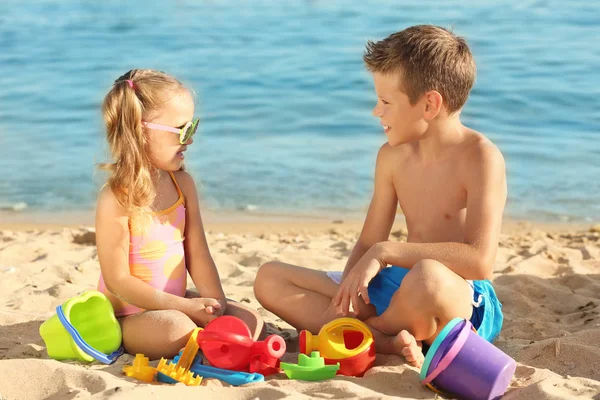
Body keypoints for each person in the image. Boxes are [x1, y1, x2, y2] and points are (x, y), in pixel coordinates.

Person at [253, 25, 506, 367]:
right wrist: (346, 298)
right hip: (397, 286)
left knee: (427, 277)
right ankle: (381, 339)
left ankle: (366, 332)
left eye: (386, 102)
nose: (376, 111)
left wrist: (385, 251)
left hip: (456, 296)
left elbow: (479, 262)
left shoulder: (480, 157)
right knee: (270, 277)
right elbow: (368, 242)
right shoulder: (392, 157)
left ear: (430, 104)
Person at [96, 69, 263, 360]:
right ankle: (203, 339)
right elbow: (117, 280)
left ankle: (208, 337)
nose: (191, 140)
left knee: (250, 320)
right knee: (176, 330)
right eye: (183, 130)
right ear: (141, 130)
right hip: (130, 316)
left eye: (194, 127)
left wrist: (218, 304)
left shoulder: (182, 185)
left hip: (176, 304)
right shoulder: (117, 198)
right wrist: (182, 307)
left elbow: (197, 254)